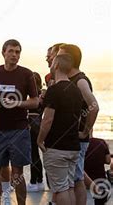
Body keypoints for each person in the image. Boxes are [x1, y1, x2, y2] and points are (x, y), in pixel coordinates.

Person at [0, 39, 39, 205]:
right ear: (3, 52)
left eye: (17, 52)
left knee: (17, 173)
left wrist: (17, 103)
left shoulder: (26, 74)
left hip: (19, 129)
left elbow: (35, 102)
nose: (14, 55)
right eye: (11, 51)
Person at [37, 54, 84, 205]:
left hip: (56, 147)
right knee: (69, 186)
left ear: (56, 65)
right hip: (73, 146)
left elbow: (48, 119)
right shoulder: (76, 90)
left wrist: (39, 139)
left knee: (60, 189)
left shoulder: (54, 90)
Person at [58, 43, 99, 205]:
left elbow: (94, 107)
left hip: (77, 139)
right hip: (69, 139)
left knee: (77, 178)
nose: (56, 59)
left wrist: (85, 131)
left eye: (59, 56)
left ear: (70, 59)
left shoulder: (80, 81)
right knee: (72, 178)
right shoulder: (68, 79)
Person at [27, 72, 45, 192]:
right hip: (40, 123)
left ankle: (34, 181)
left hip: (32, 125)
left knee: (33, 154)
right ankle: (40, 180)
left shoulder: (33, 96)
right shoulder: (43, 94)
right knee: (36, 154)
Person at [84, 132, 111, 205]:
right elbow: (108, 161)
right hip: (100, 180)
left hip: (82, 181)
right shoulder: (101, 142)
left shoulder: (76, 143)